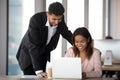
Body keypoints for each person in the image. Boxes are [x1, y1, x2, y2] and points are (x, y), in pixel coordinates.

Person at [16, 2, 72, 77]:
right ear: (48, 14)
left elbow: (66, 33)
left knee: (43, 77)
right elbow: (33, 46)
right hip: (28, 55)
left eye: (59, 19)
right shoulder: (35, 20)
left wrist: (77, 43)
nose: (56, 22)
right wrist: (38, 70)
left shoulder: (60, 19)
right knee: (32, 77)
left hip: (42, 53)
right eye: (54, 19)